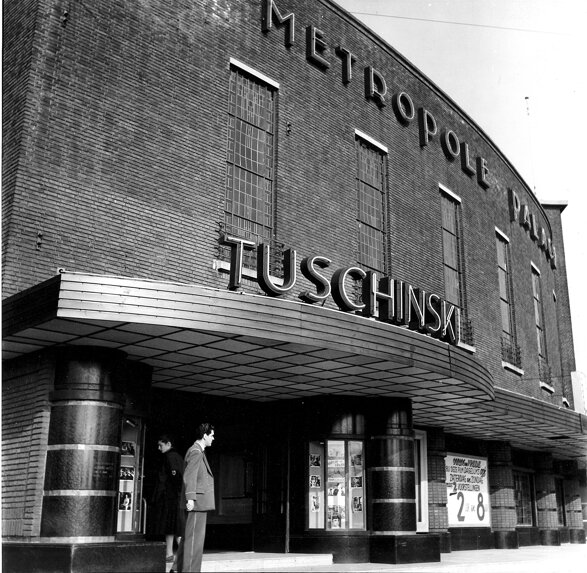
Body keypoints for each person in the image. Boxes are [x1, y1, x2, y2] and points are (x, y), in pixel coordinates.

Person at [173, 423, 215, 573]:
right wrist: (190, 498)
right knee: (194, 542)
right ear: (204, 435)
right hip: (197, 503)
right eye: (211, 435)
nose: (213, 438)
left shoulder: (196, 450)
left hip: (196, 502)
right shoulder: (196, 451)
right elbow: (189, 475)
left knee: (188, 538)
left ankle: (176, 568)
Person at [150, 434, 184, 564]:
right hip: (174, 497)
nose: (159, 448)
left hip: (172, 497)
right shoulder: (176, 457)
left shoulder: (170, 457)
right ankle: (171, 554)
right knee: (172, 526)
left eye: (161, 445)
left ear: (168, 444)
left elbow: (175, 477)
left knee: (175, 525)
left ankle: (180, 554)